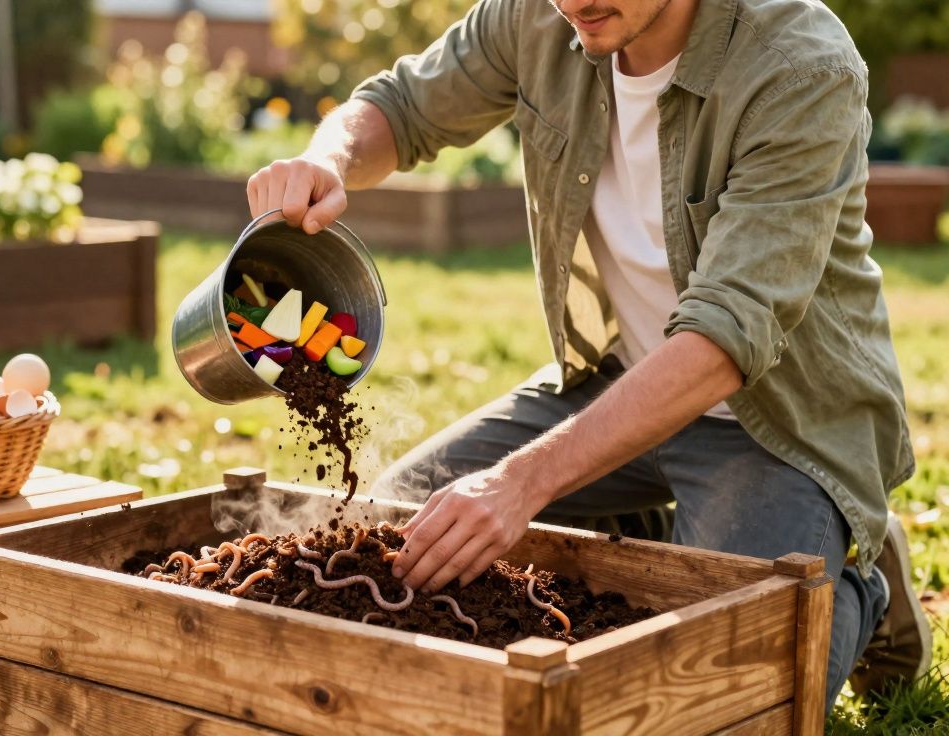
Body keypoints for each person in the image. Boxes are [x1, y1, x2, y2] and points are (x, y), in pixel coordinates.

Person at [245, 0, 930, 709]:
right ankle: (644, 527)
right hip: (610, 384)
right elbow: (403, 105)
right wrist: (327, 158)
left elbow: (729, 333)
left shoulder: (798, 63)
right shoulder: (540, 17)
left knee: (721, 693)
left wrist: (521, 483)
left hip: (775, 420)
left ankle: (856, 577)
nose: (574, 2)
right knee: (395, 543)